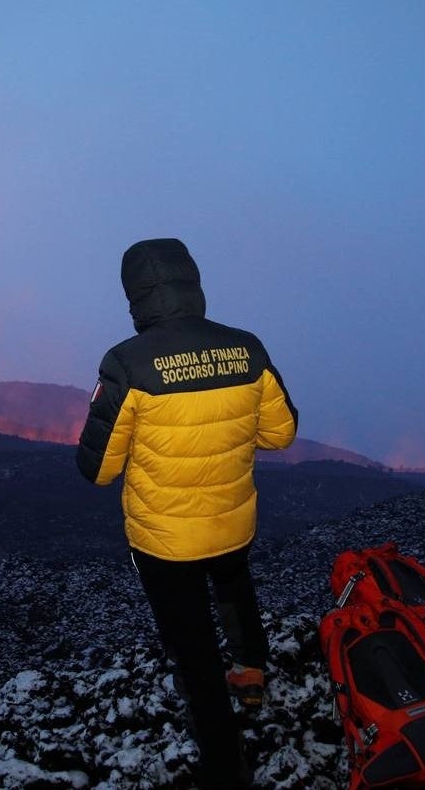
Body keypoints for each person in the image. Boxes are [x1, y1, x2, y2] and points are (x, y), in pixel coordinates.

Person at [76, 238, 297, 788]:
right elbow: (281, 433)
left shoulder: (126, 362)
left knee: (194, 652)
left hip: (164, 542)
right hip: (233, 519)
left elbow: (99, 468)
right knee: (233, 582)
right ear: (193, 282)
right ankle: (250, 671)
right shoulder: (247, 349)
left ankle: (226, 770)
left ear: (135, 295)